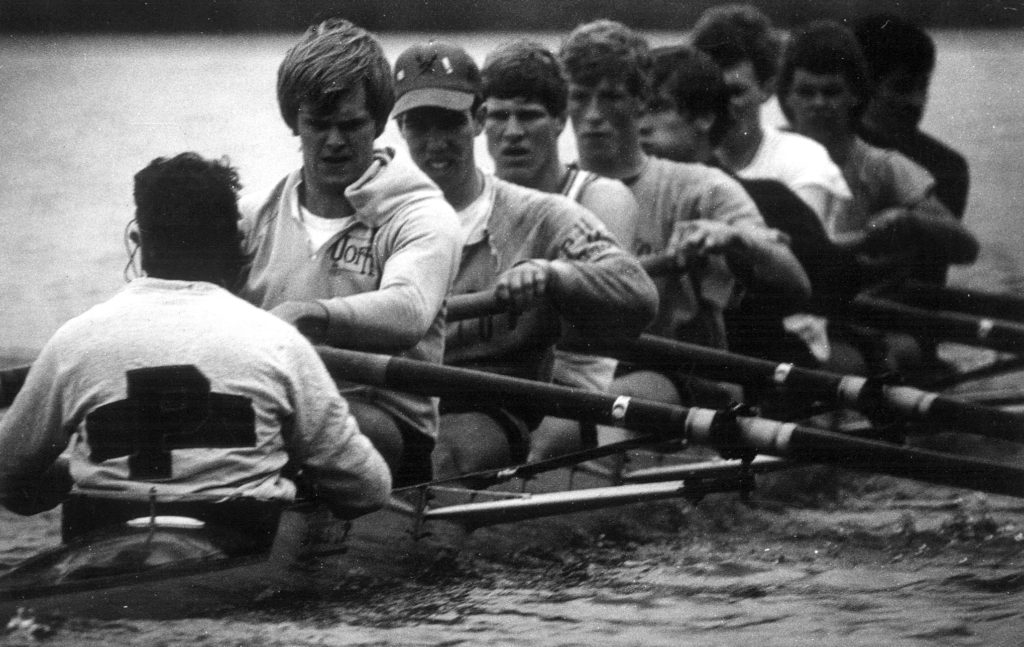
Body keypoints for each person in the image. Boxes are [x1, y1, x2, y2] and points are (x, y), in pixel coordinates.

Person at [0, 153, 391, 547]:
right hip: (243, 549)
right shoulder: (280, 342)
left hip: (97, 552)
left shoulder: (74, 341)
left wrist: (74, 472)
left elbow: (7, 477)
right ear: (239, 240)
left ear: (138, 239)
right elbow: (367, 490)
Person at [392, 40, 658, 476]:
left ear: (474, 122)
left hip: (535, 395)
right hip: (413, 398)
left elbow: (628, 306)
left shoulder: (564, 208)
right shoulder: (380, 212)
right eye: (420, 126)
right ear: (400, 128)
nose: (436, 142)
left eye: (449, 123)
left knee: (452, 457)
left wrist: (553, 276)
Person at [237, 19, 463, 487]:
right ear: (293, 122)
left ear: (379, 123)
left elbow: (410, 310)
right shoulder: (255, 215)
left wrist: (311, 314)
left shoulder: (421, 214)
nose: (335, 141)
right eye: (318, 125)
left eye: (351, 124)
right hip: (274, 409)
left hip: (386, 424)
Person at [560, 19, 810, 408]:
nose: (592, 113)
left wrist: (734, 237)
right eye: (579, 97)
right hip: (579, 381)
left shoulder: (701, 188)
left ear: (640, 102)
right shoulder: (548, 193)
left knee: (587, 404)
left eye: (609, 97)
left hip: (689, 382)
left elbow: (795, 283)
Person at [639, 44, 862, 369]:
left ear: (704, 118)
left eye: (657, 107)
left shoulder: (769, 200)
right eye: (637, 109)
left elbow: (837, 284)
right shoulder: (619, 194)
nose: (640, 124)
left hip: (757, 368)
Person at [777, 20, 979, 373]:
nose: (819, 104)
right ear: (787, 98)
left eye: (832, 92)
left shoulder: (886, 167)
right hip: (792, 320)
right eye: (807, 93)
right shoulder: (768, 157)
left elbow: (966, 249)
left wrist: (909, 222)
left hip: (871, 322)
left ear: (856, 94)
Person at [479, 38, 641, 459]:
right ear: (479, 123)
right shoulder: (468, 203)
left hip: (581, 385)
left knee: (535, 450)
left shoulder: (603, 197)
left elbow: (600, 314)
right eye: (498, 116)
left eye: (529, 115)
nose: (512, 132)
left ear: (559, 120)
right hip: (492, 383)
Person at [854, 14, 972, 367]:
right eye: (902, 87)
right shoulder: (813, 149)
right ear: (862, 87)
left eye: (923, 87)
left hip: (905, 326)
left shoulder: (946, 167)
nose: (917, 102)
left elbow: (926, 264)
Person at [690, 4, 851, 227]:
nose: (721, 105)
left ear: (767, 88)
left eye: (735, 92)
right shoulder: (683, 160)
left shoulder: (803, 157)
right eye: (712, 91)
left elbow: (804, 251)